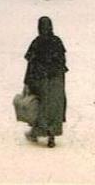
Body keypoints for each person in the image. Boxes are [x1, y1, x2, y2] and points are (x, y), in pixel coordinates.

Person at [23, 16, 68, 148]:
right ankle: (51, 135)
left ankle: (36, 132)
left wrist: (27, 81)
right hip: (56, 79)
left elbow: (31, 62)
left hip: (41, 79)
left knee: (40, 106)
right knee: (55, 107)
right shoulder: (57, 41)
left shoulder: (37, 42)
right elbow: (62, 61)